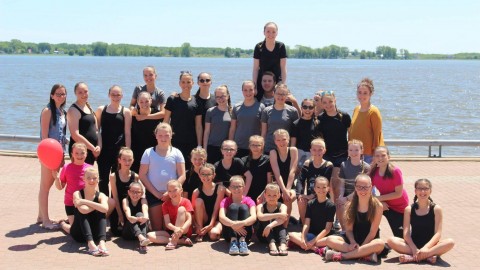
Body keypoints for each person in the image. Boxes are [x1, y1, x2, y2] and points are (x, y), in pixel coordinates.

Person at [387, 179, 455, 264]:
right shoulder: (409, 209)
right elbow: (406, 234)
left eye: (426, 188)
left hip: (431, 246)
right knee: (391, 240)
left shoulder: (436, 209)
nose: (423, 191)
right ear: (415, 191)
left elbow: (438, 233)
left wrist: (426, 248)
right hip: (413, 246)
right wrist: (414, 248)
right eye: (419, 188)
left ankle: (413, 258)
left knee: (450, 242)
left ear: (430, 191)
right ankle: (427, 257)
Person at [324, 174, 385, 262]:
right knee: (330, 240)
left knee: (380, 244)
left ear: (371, 187)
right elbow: (348, 230)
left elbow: (372, 232)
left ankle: (343, 256)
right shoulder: (350, 205)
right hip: (353, 241)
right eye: (359, 187)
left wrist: (362, 247)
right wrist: (352, 242)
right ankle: (364, 255)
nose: (362, 190)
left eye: (366, 187)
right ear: (355, 188)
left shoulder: (377, 206)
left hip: (369, 241)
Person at [139, 123, 186, 231]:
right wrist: (157, 194)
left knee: (169, 229)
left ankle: (175, 239)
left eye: (166, 135)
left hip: (173, 195)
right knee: (157, 229)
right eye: (160, 135)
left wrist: (170, 193)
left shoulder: (177, 152)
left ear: (171, 135)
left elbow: (182, 175)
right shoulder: (148, 152)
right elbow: (142, 175)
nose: (163, 138)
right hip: (154, 194)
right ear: (155, 136)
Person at [315, 90, 351, 225]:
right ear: (322, 104)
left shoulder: (344, 116)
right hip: (327, 155)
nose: (328, 105)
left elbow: (351, 136)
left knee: (336, 186)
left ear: (335, 100)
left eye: (330, 101)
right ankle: (328, 215)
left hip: (342, 155)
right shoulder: (321, 118)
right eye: (325, 102)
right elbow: (319, 138)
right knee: (327, 186)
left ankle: (338, 218)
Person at [38, 83, 67, 230]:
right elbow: (44, 136)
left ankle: (40, 215)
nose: (61, 97)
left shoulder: (62, 111)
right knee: (45, 186)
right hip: (49, 154)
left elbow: (62, 135)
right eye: (58, 94)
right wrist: (48, 158)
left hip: (59, 152)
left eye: (63, 94)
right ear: (52, 95)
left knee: (47, 184)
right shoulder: (47, 111)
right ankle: (46, 221)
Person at [95, 85, 132, 195]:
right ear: (109, 95)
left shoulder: (126, 112)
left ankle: (116, 208)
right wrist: (99, 147)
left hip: (119, 152)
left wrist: (127, 151)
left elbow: (127, 133)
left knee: (117, 181)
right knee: (103, 181)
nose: (115, 97)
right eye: (113, 94)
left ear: (122, 96)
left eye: (118, 95)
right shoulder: (101, 110)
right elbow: (97, 131)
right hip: (104, 151)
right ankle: (105, 206)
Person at [68, 167, 110, 256]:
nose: (92, 180)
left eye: (94, 178)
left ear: (98, 179)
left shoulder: (101, 195)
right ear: (83, 178)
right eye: (88, 178)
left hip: (95, 234)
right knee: (82, 212)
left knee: (101, 212)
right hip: (79, 234)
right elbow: (83, 210)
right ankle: (90, 244)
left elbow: (105, 209)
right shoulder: (77, 194)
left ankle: (102, 242)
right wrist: (98, 206)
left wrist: (84, 201)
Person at [163, 71, 202, 166]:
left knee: (189, 168)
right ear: (179, 83)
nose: (186, 85)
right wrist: (166, 141)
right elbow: (166, 122)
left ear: (193, 83)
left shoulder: (197, 102)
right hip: (174, 141)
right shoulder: (172, 99)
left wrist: (199, 145)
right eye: (183, 82)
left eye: (188, 82)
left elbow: (198, 126)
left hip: (191, 142)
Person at [370, 146, 409, 238]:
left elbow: (398, 193)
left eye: (383, 155)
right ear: (374, 158)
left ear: (388, 157)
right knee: (369, 211)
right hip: (385, 204)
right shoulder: (373, 172)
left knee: (401, 237)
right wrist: (378, 202)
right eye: (377, 156)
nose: (380, 158)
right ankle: (375, 241)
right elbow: (367, 189)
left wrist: (378, 199)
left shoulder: (395, 171)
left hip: (399, 207)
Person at [288, 177, 335, 253]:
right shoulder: (310, 203)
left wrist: (313, 241)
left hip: (323, 237)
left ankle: (306, 245)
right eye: (318, 187)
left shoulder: (331, 206)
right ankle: (315, 249)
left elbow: (327, 229)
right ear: (314, 189)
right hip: (311, 234)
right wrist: (303, 238)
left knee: (330, 240)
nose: (321, 190)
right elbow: (306, 224)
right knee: (291, 235)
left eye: (324, 187)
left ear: (328, 189)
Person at [54, 143, 92, 234]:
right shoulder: (67, 167)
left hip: (85, 203)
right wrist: (56, 178)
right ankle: (62, 224)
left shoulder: (90, 169)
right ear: (72, 154)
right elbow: (60, 187)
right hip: (70, 203)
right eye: (76, 153)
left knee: (86, 230)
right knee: (76, 232)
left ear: (86, 154)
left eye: (82, 153)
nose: (79, 156)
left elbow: (94, 188)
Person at [336, 139, 371, 231]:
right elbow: (342, 184)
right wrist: (341, 196)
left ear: (361, 151)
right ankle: (344, 230)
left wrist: (347, 198)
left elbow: (363, 188)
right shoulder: (343, 165)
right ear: (348, 151)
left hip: (361, 194)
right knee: (339, 204)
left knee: (349, 204)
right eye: (350, 150)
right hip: (347, 193)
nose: (353, 152)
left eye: (356, 150)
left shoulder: (366, 167)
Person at [148, 180, 194, 249]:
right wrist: (175, 229)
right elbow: (167, 223)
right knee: (149, 235)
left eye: (175, 190)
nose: (172, 193)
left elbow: (189, 221)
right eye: (169, 191)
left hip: (184, 230)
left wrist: (181, 230)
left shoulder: (186, 201)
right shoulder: (165, 205)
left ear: (181, 190)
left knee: (181, 209)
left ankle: (174, 241)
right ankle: (181, 241)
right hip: (172, 230)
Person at [296, 138, 333, 224]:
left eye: (320, 150)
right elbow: (300, 180)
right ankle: (304, 225)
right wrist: (299, 194)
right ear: (311, 151)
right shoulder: (307, 164)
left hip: (322, 195)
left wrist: (312, 195)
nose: (317, 152)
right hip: (310, 196)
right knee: (301, 200)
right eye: (314, 150)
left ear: (324, 151)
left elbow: (326, 184)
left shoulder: (328, 165)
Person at [349, 78, 384, 164]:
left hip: (368, 155)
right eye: (359, 92)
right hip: (355, 153)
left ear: (371, 94)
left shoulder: (374, 111)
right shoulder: (356, 109)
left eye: (365, 93)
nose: (362, 96)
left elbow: (377, 135)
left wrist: (376, 156)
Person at [219, 176, 257, 255]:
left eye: (239, 186)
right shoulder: (225, 201)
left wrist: (241, 223)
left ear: (243, 187)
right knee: (233, 206)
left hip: (245, 234)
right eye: (233, 186)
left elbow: (254, 217)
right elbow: (221, 217)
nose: (236, 189)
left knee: (243, 207)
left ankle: (242, 242)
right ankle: (233, 241)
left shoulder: (249, 200)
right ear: (229, 188)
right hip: (229, 234)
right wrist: (233, 225)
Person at [229, 80, 265, 158]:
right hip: (238, 145)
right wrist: (230, 145)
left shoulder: (261, 107)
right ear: (242, 91)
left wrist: (262, 145)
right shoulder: (236, 107)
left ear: (255, 91)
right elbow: (232, 128)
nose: (248, 93)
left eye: (251, 90)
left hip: (255, 147)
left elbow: (263, 129)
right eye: (245, 90)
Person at [269, 129, 298, 226]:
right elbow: (277, 174)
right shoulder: (273, 152)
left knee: (288, 197)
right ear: (274, 141)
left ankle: (284, 226)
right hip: (277, 185)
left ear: (288, 140)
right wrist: (283, 190)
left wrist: (287, 190)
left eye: (284, 139)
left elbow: (292, 171)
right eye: (278, 140)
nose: (281, 142)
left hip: (290, 185)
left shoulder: (293, 150)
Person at [253, 22, 287, 101]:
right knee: (255, 99)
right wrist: (254, 86)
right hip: (262, 80)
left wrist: (283, 84)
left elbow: (283, 67)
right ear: (264, 32)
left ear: (277, 33)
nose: (270, 34)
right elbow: (255, 68)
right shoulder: (258, 47)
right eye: (268, 31)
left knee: (284, 99)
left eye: (273, 32)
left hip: (277, 80)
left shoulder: (281, 46)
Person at [67, 82, 100, 165]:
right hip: (79, 151)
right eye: (80, 92)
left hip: (91, 150)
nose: (84, 94)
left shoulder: (89, 107)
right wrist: (93, 148)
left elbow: (96, 130)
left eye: (85, 91)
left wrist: (99, 146)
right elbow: (75, 135)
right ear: (75, 93)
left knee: (88, 176)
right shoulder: (73, 110)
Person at [109, 147, 140, 236]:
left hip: (130, 207)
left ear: (133, 160)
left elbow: (138, 195)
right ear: (119, 160)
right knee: (116, 232)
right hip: (118, 207)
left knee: (130, 232)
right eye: (124, 159)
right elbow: (115, 197)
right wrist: (120, 215)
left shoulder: (135, 176)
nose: (127, 162)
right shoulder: (113, 176)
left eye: (129, 160)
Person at [192, 163, 225, 242]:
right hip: (203, 219)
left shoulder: (220, 189)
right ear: (199, 175)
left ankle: (210, 231)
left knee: (213, 235)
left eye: (208, 174)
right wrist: (196, 225)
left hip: (215, 219)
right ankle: (201, 232)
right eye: (203, 174)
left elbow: (216, 209)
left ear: (213, 175)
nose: (205, 177)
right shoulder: (196, 192)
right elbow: (192, 210)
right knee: (198, 201)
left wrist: (211, 225)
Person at [261, 83, 299, 153]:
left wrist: (291, 149)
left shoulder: (293, 111)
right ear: (273, 94)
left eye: (283, 94)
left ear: (287, 95)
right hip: (269, 148)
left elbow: (294, 134)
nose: (280, 96)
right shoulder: (266, 110)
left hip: (285, 149)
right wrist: (262, 149)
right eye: (278, 93)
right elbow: (263, 133)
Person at [130, 92, 161, 173]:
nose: (144, 104)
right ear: (137, 102)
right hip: (136, 151)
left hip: (153, 152)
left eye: (147, 101)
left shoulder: (157, 115)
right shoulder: (133, 115)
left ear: (151, 101)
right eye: (141, 102)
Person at [256, 183, 288, 256]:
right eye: (269, 195)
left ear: (279, 195)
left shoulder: (282, 206)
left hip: (278, 235)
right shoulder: (261, 206)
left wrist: (270, 226)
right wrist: (278, 215)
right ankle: (272, 243)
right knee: (264, 220)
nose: (271, 198)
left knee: (280, 225)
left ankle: (283, 244)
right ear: (265, 195)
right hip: (263, 235)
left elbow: (283, 219)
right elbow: (260, 217)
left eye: (274, 195)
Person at [203, 85, 232, 164]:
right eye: (218, 97)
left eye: (223, 96)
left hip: (226, 149)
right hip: (212, 147)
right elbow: (207, 132)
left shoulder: (233, 112)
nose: (220, 99)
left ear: (228, 96)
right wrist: (205, 149)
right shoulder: (210, 111)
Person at [291, 98, 321, 170]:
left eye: (310, 107)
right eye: (305, 107)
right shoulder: (295, 124)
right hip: (299, 153)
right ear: (301, 108)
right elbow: (293, 144)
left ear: (314, 109)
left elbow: (321, 141)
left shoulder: (317, 123)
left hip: (313, 153)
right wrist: (293, 158)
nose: (307, 110)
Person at [242, 135, 272, 204]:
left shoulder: (268, 160)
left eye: (258, 145)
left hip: (262, 193)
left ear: (262, 146)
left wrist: (265, 193)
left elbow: (269, 180)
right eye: (253, 145)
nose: (255, 147)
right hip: (247, 193)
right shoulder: (243, 160)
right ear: (249, 146)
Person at [122, 182, 151, 252]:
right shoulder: (125, 200)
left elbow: (145, 211)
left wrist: (144, 218)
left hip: (142, 229)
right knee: (131, 219)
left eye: (138, 192)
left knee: (140, 214)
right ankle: (142, 238)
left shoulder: (143, 200)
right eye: (133, 192)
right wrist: (136, 219)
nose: (135, 194)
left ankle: (142, 241)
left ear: (142, 193)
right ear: (128, 192)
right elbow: (128, 214)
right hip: (128, 233)